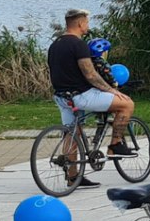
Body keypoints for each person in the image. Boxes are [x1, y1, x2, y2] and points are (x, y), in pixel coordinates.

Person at [47, 9, 137, 182]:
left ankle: (73, 177)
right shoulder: (79, 45)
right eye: (87, 22)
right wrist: (112, 90)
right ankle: (115, 145)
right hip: (81, 96)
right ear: (80, 23)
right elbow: (90, 74)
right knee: (127, 105)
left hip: (62, 97)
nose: (88, 25)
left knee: (73, 134)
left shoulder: (55, 44)